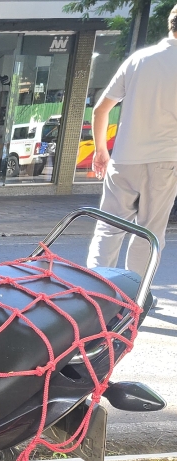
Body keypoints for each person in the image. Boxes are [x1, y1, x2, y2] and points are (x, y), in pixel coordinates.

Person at [87, 4, 177, 277]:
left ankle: (94, 288)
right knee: (148, 233)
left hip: (124, 158)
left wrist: (101, 151)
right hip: (165, 161)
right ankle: (134, 294)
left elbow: (100, 110)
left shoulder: (139, 59)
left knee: (108, 228)